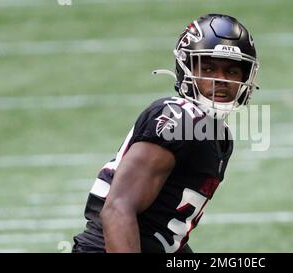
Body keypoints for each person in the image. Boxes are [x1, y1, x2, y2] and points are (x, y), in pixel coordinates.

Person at [72, 13, 259, 253]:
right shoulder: (179, 119)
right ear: (186, 68)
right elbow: (117, 209)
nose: (220, 80)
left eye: (232, 71)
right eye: (209, 68)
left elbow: (168, 231)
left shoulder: (219, 136)